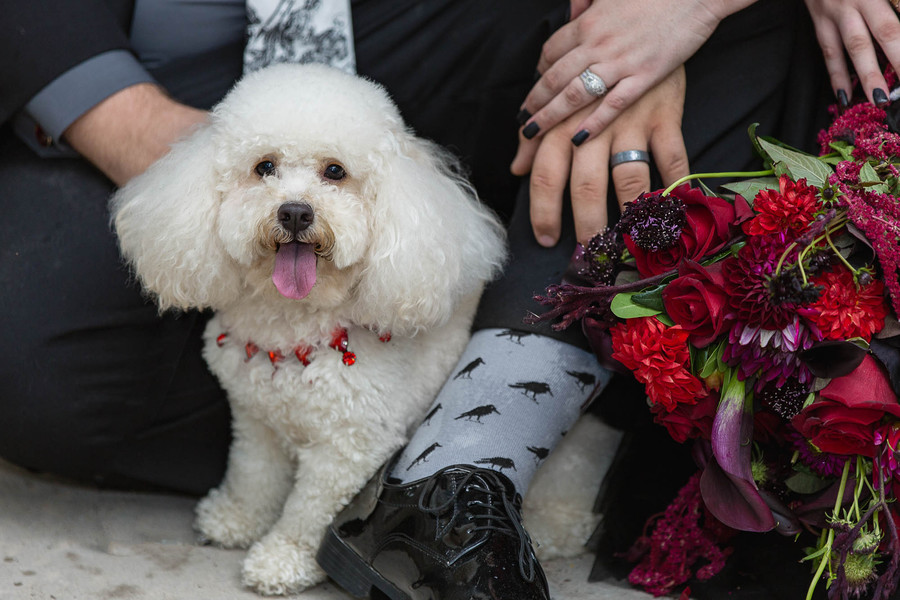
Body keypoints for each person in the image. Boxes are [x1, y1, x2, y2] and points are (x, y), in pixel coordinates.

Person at [0, 0, 894, 598]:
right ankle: (506, 417)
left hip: (507, 57)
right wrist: (131, 123)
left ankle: (472, 449)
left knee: (700, 46)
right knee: (31, 354)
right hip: (168, 78)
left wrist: (654, 17)